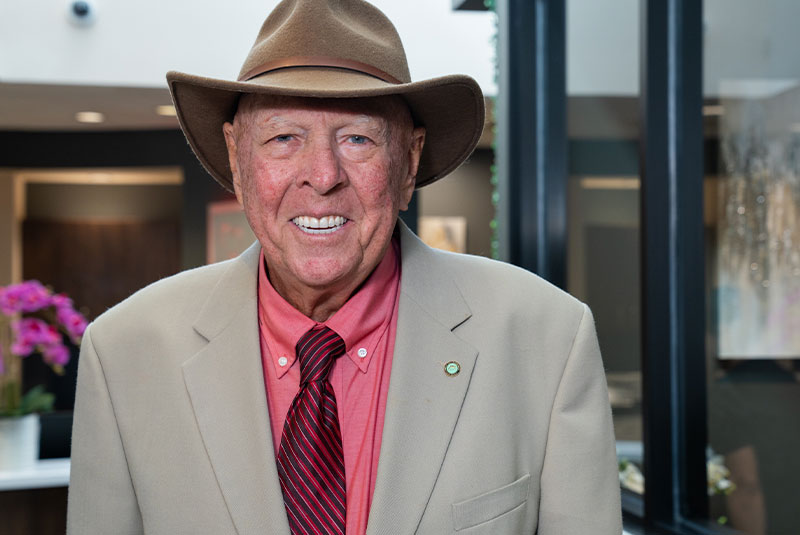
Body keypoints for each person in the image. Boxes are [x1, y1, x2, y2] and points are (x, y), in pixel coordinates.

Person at [66, 0, 622, 533]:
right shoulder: (125, 352)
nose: (323, 174)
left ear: (408, 162)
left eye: (358, 138)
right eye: (284, 138)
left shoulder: (547, 339)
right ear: (238, 161)